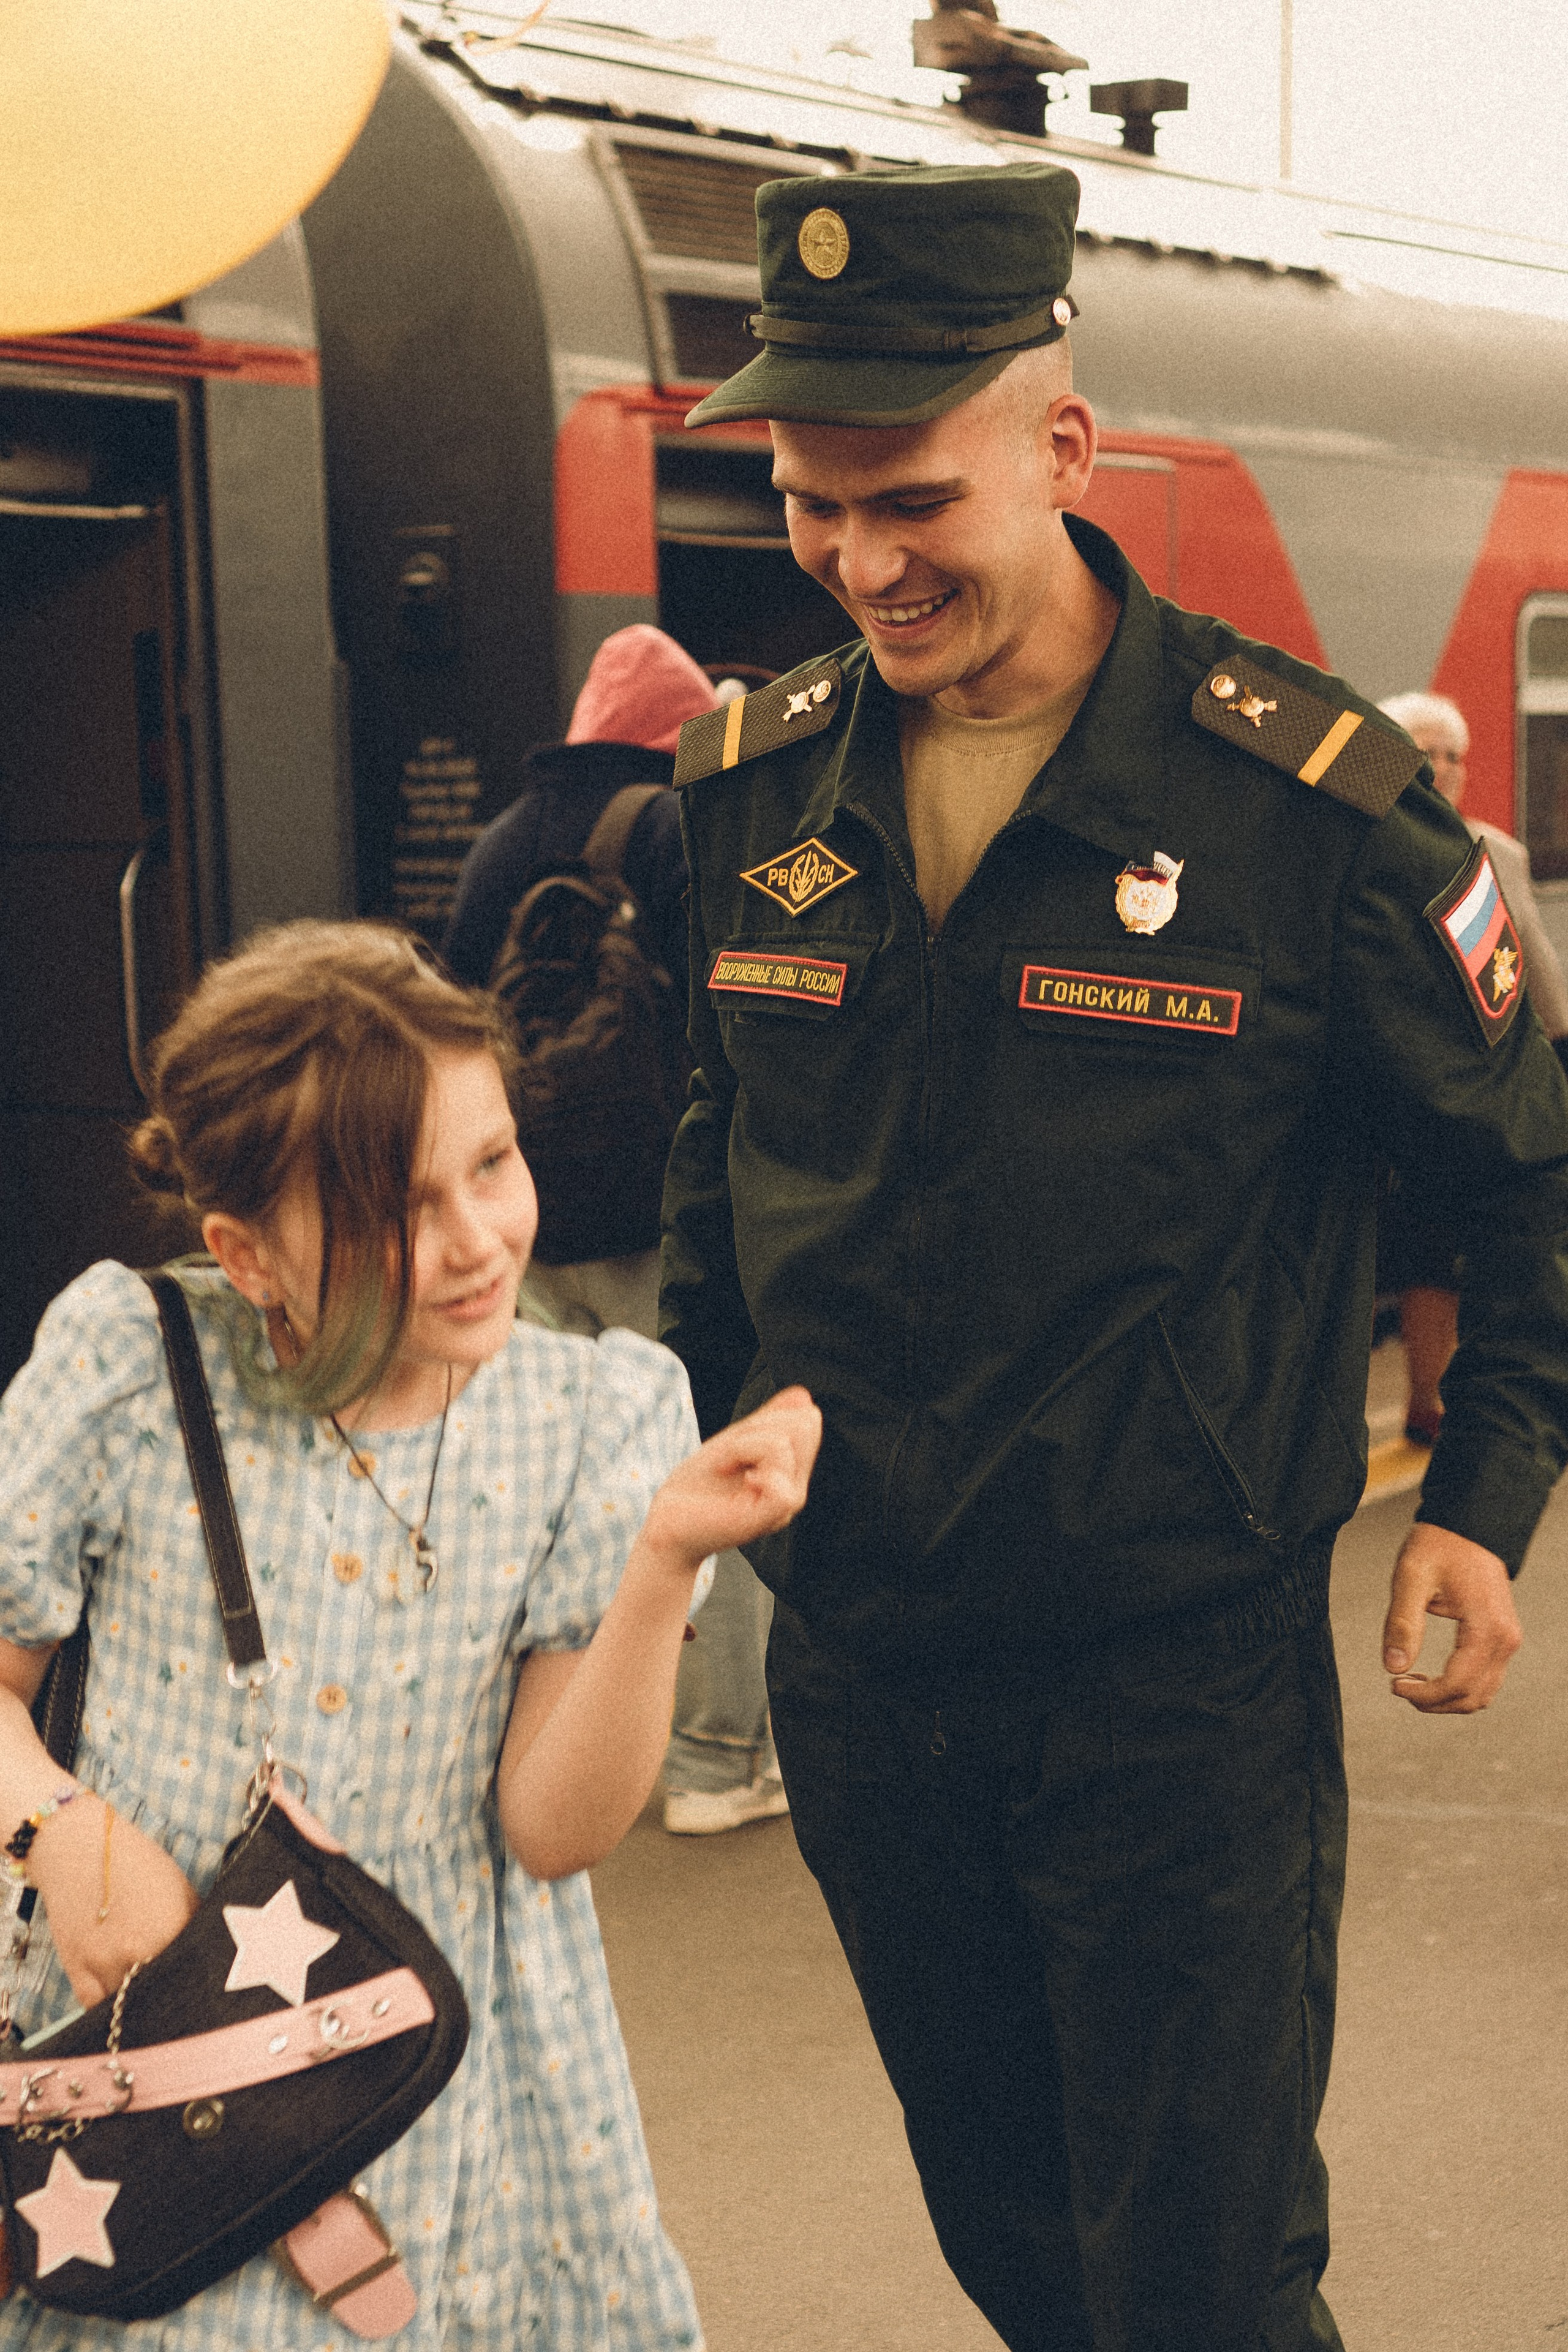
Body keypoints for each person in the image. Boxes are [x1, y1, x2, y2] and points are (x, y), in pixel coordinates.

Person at [658, 160, 1568, 2352]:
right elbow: (717, 1156)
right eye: (809, 505)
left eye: (907, 500)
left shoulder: (1310, 807)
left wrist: (1476, 1496)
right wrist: (726, 1457)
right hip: (871, 1673)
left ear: (1062, 455)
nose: (860, 563)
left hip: (1172, 1686)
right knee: (1014, 2250)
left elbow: (1520, 1160)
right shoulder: (744, 786)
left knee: (1197, 2286)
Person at [0, 919, 819, 2352]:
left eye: (490, 1163)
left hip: (468, 2090)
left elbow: (554, 1828)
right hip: (164, 2068)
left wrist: (659, 1563)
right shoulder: (131, 1357)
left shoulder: (598, 1411)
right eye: (389, 1204)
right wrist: (58, 1829)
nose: (473, 1239)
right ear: (244, 1252)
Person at [447, 628, 786, 1838]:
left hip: (525, 1222)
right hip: (654, 1211)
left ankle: (553, 1743)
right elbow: (733, 1025)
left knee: (563, 1484)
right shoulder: (672, 829)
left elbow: (449, 1018)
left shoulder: (498, 842)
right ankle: (709, 1758)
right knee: (710, 1472)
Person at [1376, 690, 1568, 1443]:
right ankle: (1428, 1397)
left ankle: (1504, 1388)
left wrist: (1555, 1041)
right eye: (1427, 753)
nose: (1445, 769)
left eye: (1454, 755)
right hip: (1407, 1071)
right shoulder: (1370, 842)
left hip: (1493, 1067)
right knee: (1426, 1238)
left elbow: (1540, 970)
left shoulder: (1501, 852)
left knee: (1510, 1227)